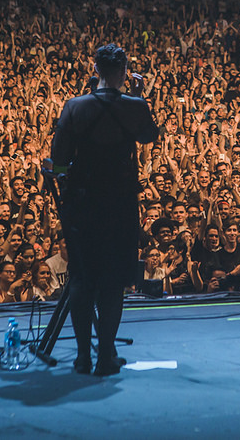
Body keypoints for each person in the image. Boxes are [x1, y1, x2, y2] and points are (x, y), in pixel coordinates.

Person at [50, 43, 159, 376]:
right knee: (112, 283)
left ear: (94, 70)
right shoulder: (134, 106)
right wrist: (140, 96)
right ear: (125, 71)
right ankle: (105, 358)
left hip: (82, 203)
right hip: (120, 203)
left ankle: (83, 356)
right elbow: (149, 136)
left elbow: (58, 161)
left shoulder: (74, 107)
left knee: (82, 278)